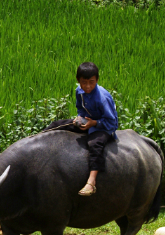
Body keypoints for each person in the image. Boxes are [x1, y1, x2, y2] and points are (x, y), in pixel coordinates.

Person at [43, 62, 118, 196]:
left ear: (97, 80)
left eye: (91, 82)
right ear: (78, 81)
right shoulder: (79, 91)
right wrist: (80, 117)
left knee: (95, 145)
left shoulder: (103, 97)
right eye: (84, 82)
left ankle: (92, 181)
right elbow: (80, 107)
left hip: (103, 127)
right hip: (86, 122)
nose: (88, 86)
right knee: (57, 125)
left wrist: (94, 123)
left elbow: (112, 122)